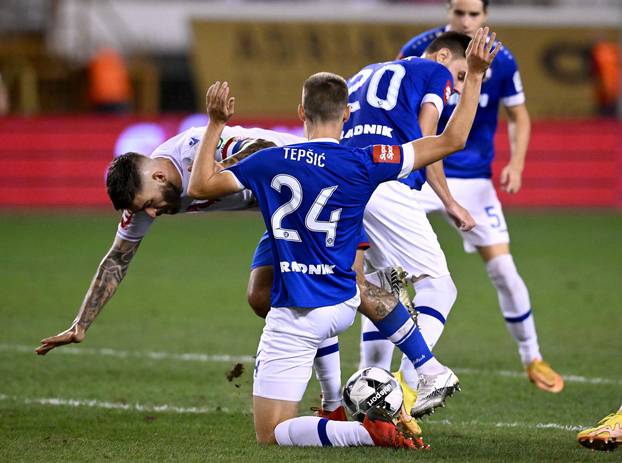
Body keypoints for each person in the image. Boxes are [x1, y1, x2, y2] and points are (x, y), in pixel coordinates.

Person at [187, 27, 498, 448]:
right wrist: (475, 76)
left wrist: (215, 123)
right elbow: (450, 139)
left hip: (295, 313)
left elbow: (200, 186)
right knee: (378, 287)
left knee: (271, 433)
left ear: (301, 111)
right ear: (347, 114)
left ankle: (363, 429)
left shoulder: (269, 161)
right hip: (344, 303)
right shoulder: (368, 159)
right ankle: (422, 367)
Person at [398, 0, 563, 393]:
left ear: (485, 16)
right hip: (422, 170)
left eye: (474, 14)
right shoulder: (421, 48)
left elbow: (518, 115)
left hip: (473, 179)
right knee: (387, 275)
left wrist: (517, 164)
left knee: (504, 270)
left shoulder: (501, 60)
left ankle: (532, 356)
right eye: (460, 13)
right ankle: (381, 374)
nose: (467, 21)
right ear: (449, 12)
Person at [34, 126, 302, 356]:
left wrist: (218, 173)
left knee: (316, 292)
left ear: (159, 176)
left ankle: (326, 386)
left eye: (151, 204)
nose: (151, 213)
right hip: (284, 215)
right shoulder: (142, 198)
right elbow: (117, 259)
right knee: (260, 297)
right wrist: (81, 324)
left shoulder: (195, 149)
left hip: (313, 183)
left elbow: (266, 148)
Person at [343, 32, 475, 418]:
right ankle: (417, 379)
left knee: (380, 291)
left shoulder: (364, 73)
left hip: (348, 183)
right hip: (388, 184)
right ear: (443, 55)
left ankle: (373, 404)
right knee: (439, 286)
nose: (459, 85)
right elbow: (428, 137)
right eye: (462, 75)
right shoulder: (433, 72)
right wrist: (448, 200)